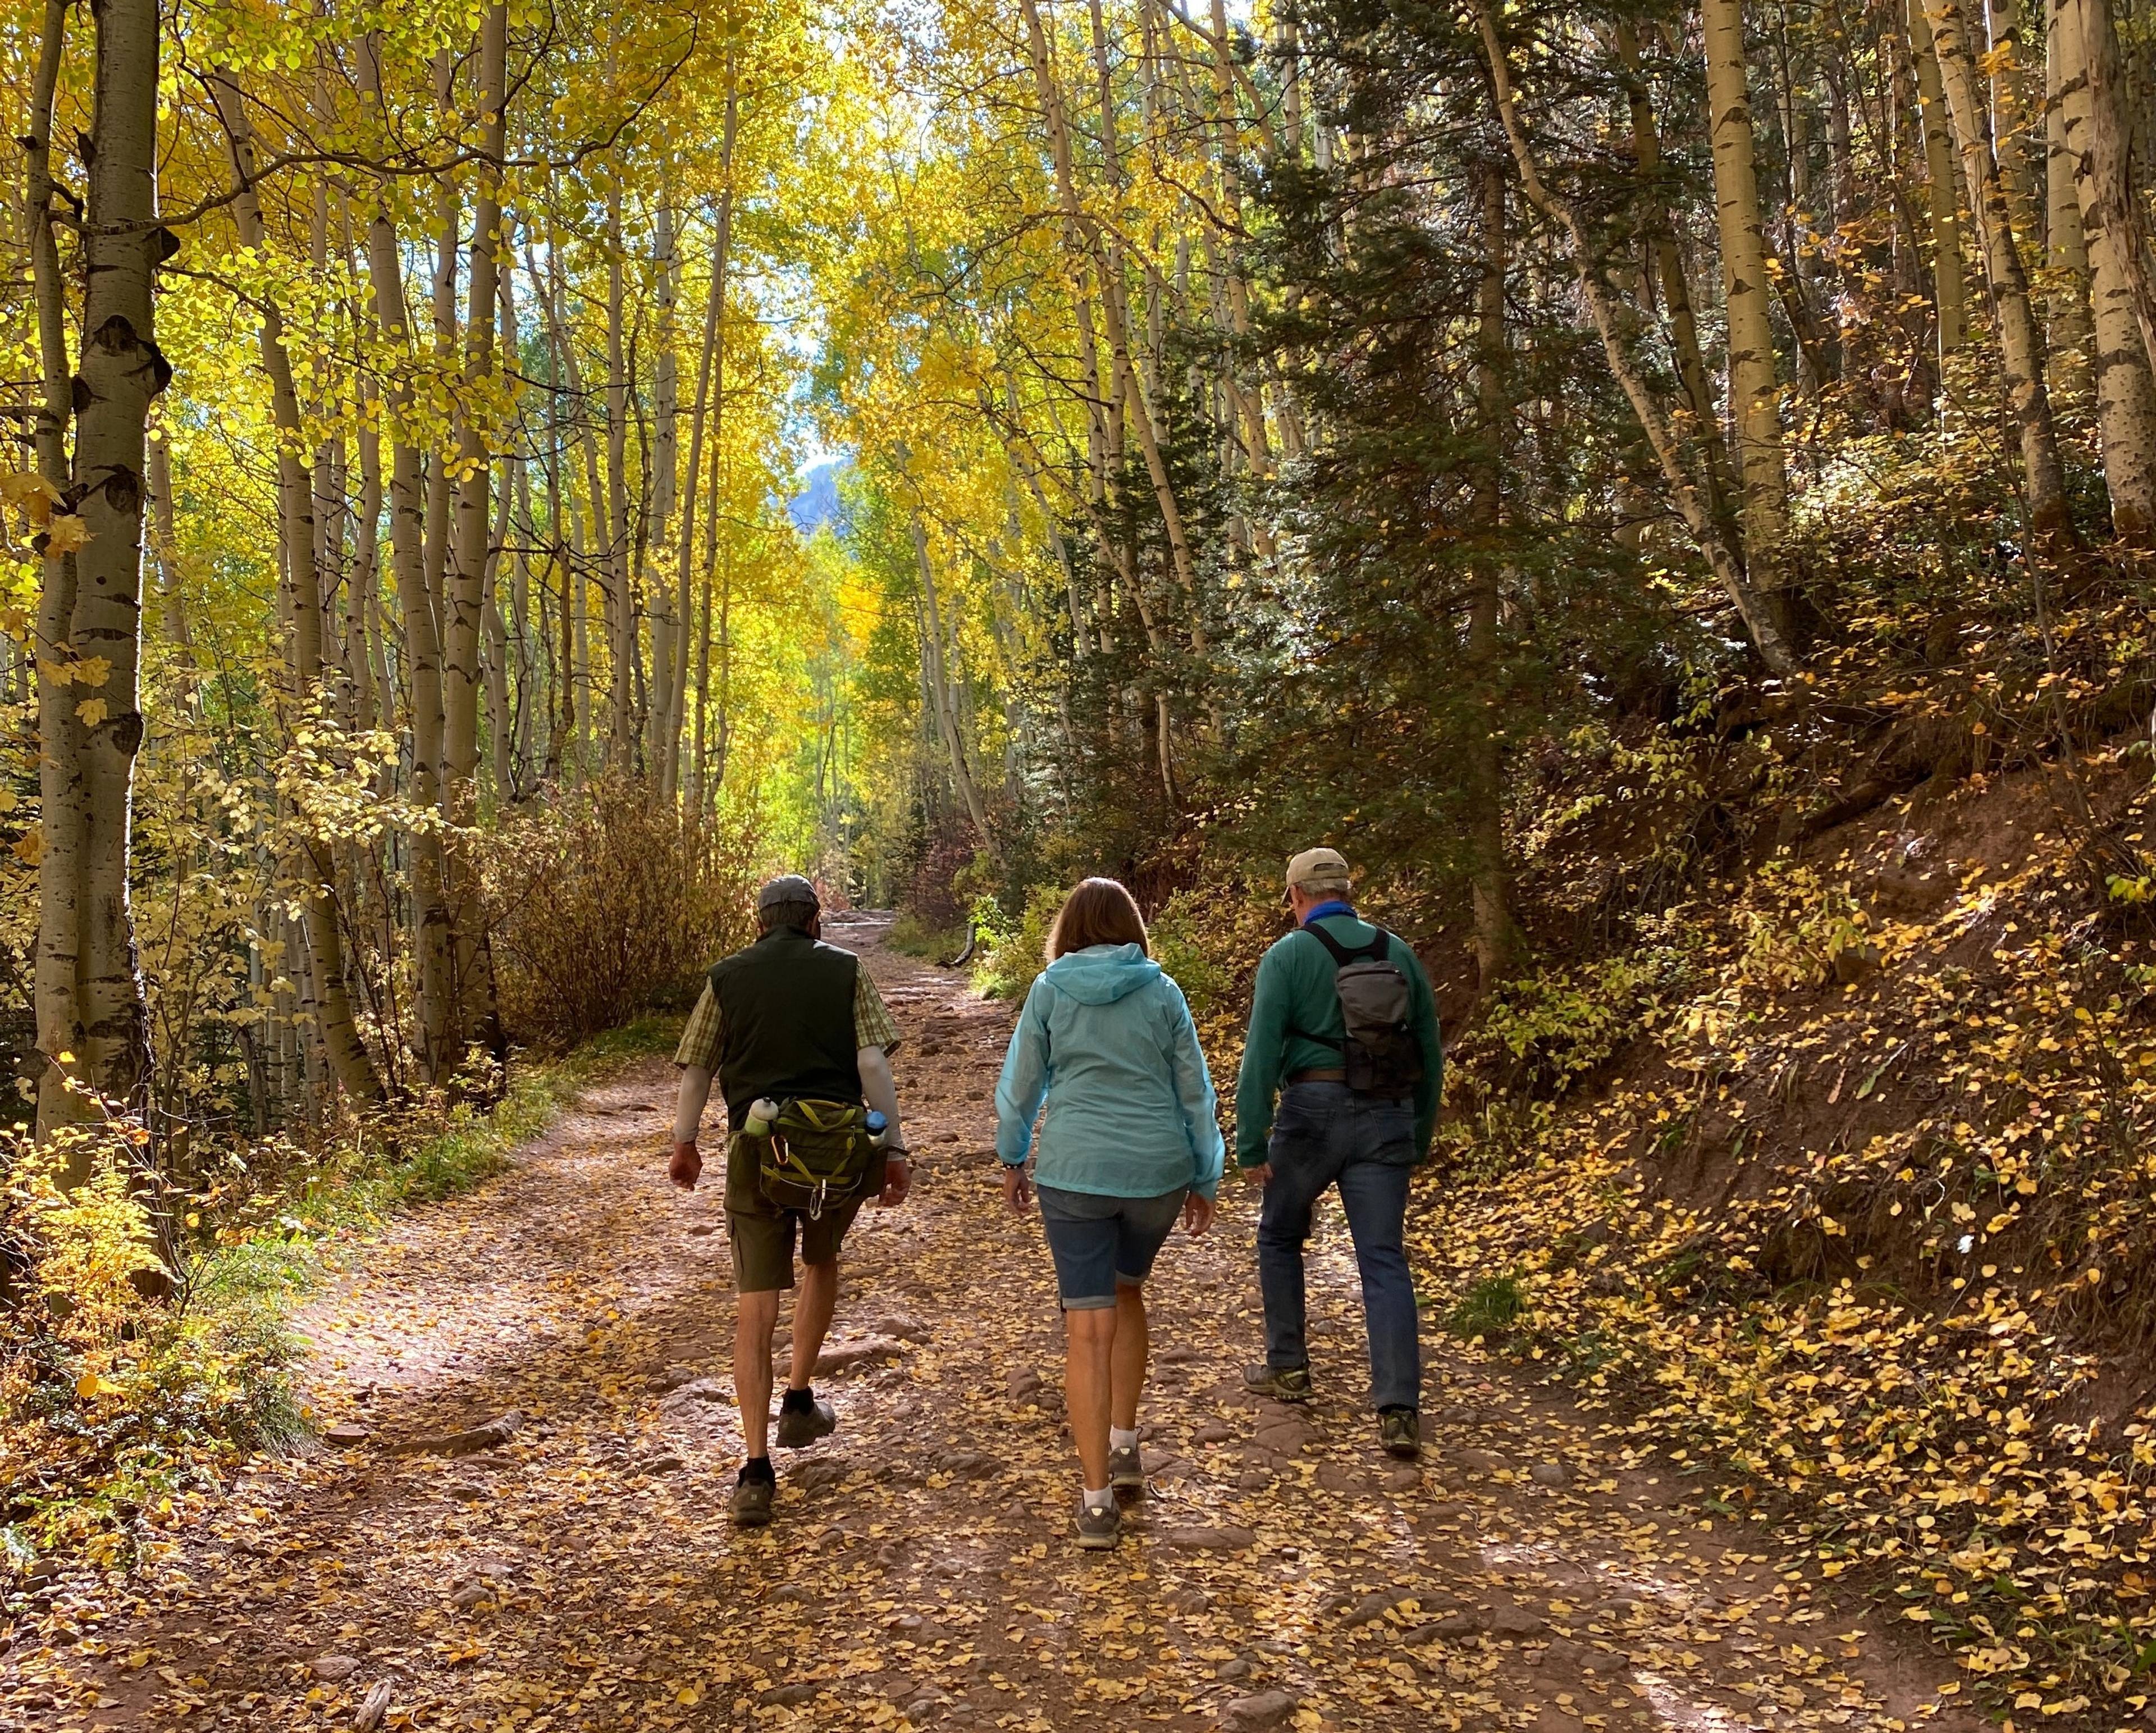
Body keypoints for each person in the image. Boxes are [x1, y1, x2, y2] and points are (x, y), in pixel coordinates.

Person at [670, 875, 912, 1527]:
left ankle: (754, 1470)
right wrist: (894, 1148)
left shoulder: (727, 977)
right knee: (822, 1261)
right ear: (814, 922)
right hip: (834, 1148)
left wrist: (685, 1142)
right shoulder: (847, 971)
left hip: (757, 1149)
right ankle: (799, 1397)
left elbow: (698, 1068)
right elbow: (872, 1065)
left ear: (760, 923)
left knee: (756, 1305)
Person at [993, 878, 1223, 1550]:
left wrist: (1013, 1157)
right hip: (1156, 1175)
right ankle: (1125, 1443)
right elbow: (1194, 1090)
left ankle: (1097, 1504)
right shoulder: (1163, 992)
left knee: (1086, 1326)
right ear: (1133, 928)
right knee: (1128, 1290)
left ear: (1068, 929)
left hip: (1075, 1174)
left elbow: (1021, 1086)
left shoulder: (1049, 990)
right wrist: (1205, 1173)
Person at [1235, 847, 1442, 1461]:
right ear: (1348, 892)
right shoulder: (1397, 951)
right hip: (1386, 1118)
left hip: (1310, 1113)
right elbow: (1430, 1053)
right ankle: (1399, 1409)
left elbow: (1261, 1054)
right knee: (1382, 1258)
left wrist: (1251, 1140)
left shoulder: (1288, 955)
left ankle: (1290, 1367)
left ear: (1297, 896)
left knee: (1278, 1237)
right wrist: (1419, 1135)